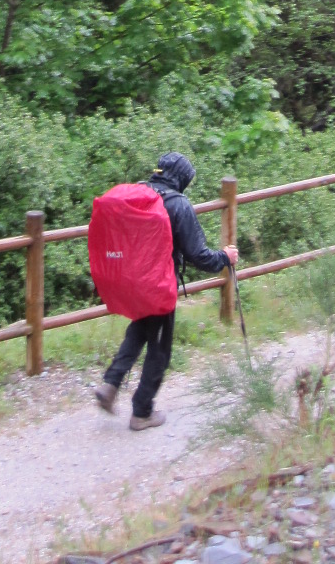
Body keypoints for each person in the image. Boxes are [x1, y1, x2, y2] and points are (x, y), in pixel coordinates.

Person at [94, 151, 239, 430]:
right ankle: (142, 413)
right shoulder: (178, 204)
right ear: (182, 178)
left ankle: (110, 385)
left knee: (139, 330)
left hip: (131, 278)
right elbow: (198, 255)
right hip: (157, 284)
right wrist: (225, 257)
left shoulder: (139, 192)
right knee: (159, 349)